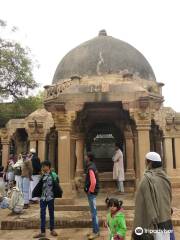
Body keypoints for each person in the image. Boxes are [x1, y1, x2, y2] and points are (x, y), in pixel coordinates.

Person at [132, 152, 175, 240]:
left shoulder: (146, 180)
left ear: (150, 163)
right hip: (165, 219)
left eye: (146, 162)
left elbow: (145, 205)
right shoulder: (165, 178)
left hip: (151, 225)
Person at [32, 160, 62, 238]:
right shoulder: (42, 176)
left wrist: (56, 194)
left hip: (50, 198)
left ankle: (52, 230)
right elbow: (40, 186)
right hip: (43, 198)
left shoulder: (54, 175)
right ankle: (42, 232)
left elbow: (57, 185)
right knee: (42, 214)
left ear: (48, 167)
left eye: (44, 166)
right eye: (42, 166)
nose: (42, 167)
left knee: (51, 214)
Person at [84, 152, 100, 240]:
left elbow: (93, 181)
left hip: (92, 193)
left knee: (94, 213)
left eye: (86, 156)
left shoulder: (90, 168)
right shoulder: (93, 166)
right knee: (93, 212)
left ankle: (96, 232)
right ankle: (95, 230)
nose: (84, 157)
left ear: (89, 158)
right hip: (93, 192)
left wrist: (90, 190)